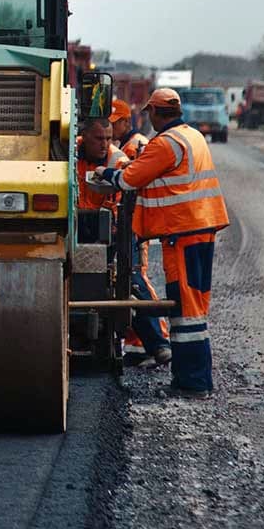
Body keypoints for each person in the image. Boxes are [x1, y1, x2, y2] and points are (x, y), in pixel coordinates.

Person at [91, 87, 227, 396]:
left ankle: (192, 383)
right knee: (195, 306)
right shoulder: (191, 135)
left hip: (182, 231)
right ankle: (195, 379)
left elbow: (130, 179)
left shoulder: (165, 143)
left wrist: (105, 173)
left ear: (154, 112)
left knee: (186, 309)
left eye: (149, 113)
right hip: (201, 226)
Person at [105, 98, 170, 368]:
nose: (110, 131)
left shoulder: (135, 147)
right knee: (127, 280)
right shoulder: (123, 145)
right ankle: (138, 343)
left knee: (135, 280)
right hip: (122, 224)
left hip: (130, 224)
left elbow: (132, 184)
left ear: (124, 121)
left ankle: (159, 339)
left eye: (113, 125)